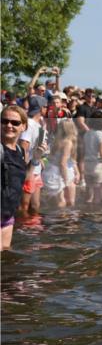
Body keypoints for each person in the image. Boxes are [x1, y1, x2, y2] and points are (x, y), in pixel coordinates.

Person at [1, 105, 29, 251]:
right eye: (4, 121)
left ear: (23, 126)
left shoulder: (21, 150)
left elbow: (22, 179)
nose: (9, 125)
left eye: (15, 123)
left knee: (5, 255)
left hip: (8, 216)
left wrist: (36, 159)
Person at [82, 110, 102, 204]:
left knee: (89, 197)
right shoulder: (101, 135)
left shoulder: (87, 133)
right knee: (97, 198)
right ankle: (96, 217)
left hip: (87, 165)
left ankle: (86, 216)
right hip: (99, 166)